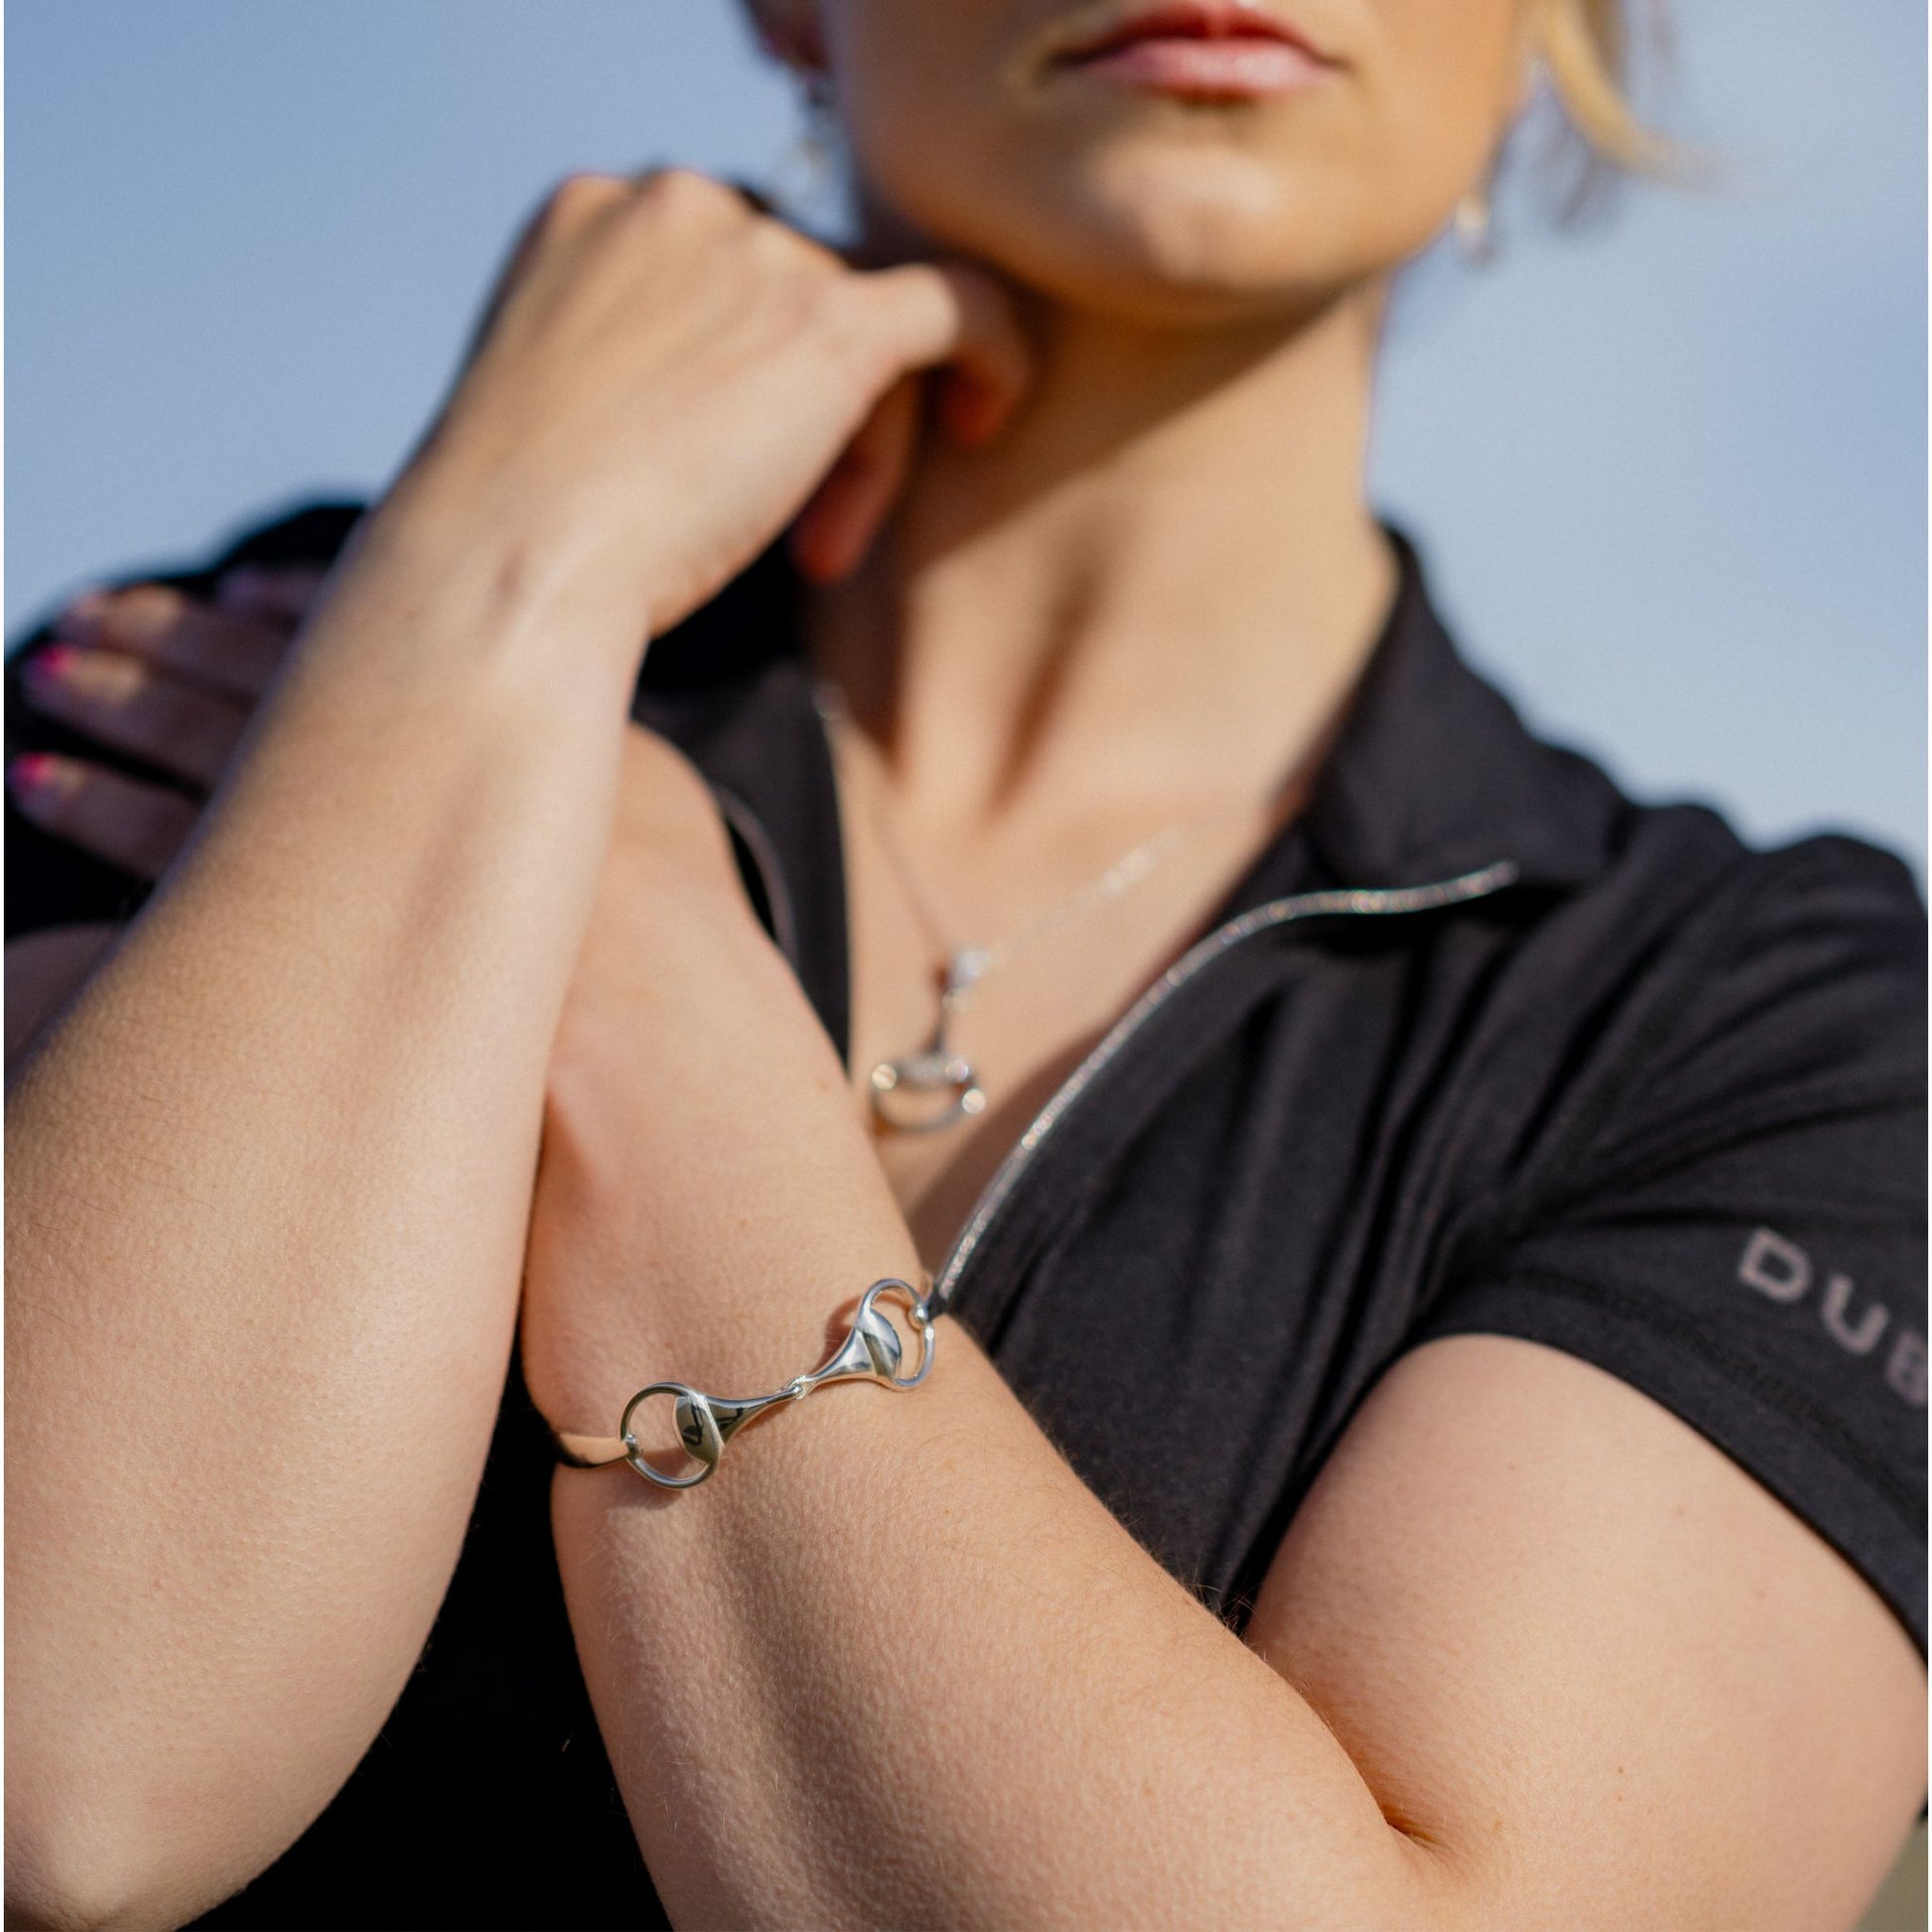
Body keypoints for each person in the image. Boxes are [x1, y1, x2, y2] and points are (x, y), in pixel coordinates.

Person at [6, 2, 1925, 1926]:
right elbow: (62, 1759)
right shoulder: (264, 667)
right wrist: (503, 562)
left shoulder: (1768, 1027)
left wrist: (639, 929)